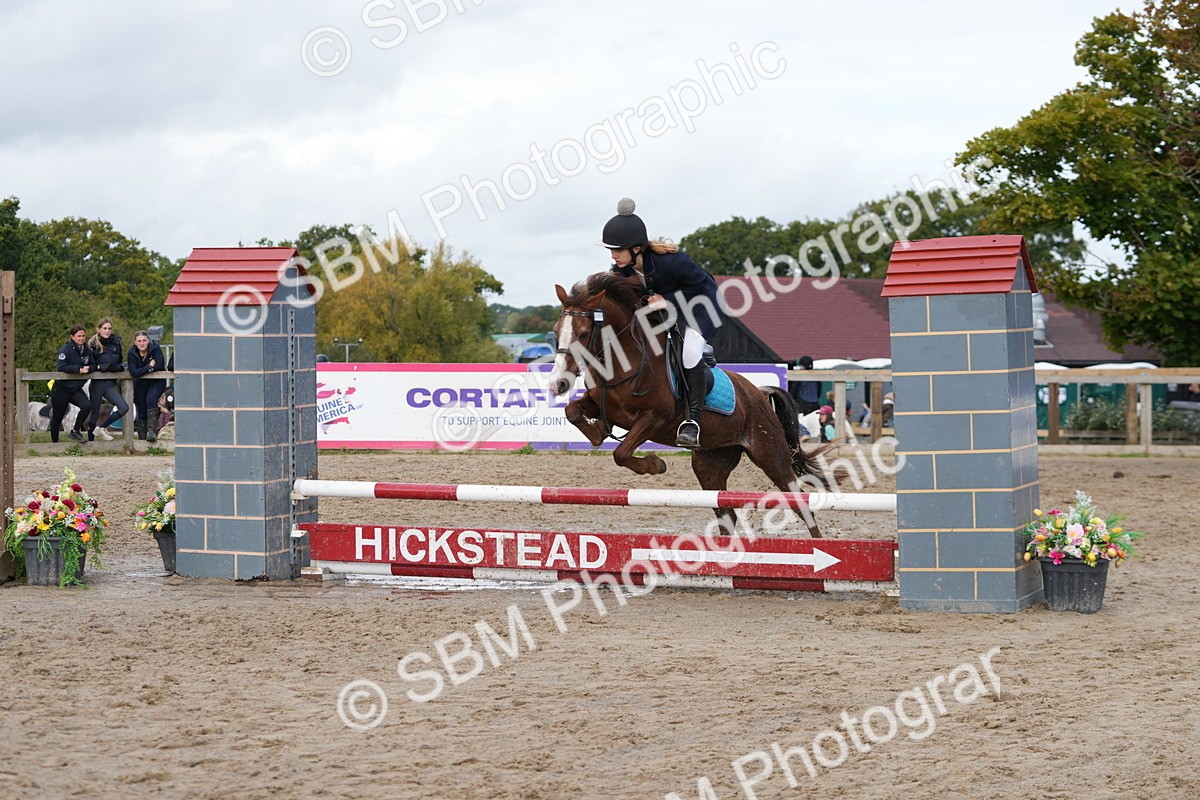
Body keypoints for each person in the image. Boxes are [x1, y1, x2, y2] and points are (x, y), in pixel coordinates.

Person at [602, 198, 722, 448]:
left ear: (636, 248)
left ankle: (692, 422)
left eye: (618, 250)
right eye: (611, 251)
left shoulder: (672, 262)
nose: (613, 256)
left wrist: (667, 300)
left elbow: (702, 286)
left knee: (689, 352)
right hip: (664, 315)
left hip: (700, 308)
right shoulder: (621, 272)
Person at [85, 318, 130, 441]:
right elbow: (92, 365)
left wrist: (109, 367)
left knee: (124, 407)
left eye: (109, 328)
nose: (107, 331)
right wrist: (104, 367)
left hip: (109, 384)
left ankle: (102, 427)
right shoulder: (92, 344)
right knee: (94, 413)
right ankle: (90, 443)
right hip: (97, 384)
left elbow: (118, 362)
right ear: (99, 329)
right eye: (104, 328)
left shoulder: (116, 342)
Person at [49, 325, 93, 443]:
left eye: (83, 336)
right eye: (79, 336)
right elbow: (61, 367)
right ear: (72, 336)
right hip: (61, 388)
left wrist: (89, 368)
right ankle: (54, 444)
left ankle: (75, 431)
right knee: (57, 417)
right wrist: (79, 369)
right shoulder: (65, 349)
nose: (81, 338)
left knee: (86, 406)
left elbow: (93, 364)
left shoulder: (87, 350)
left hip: (76, 388)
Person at [128, 330, 167, 442]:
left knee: (151, 399)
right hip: (141, 383)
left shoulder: (156, 349)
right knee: (141, 407)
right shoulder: (132, 353)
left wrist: (142, 370)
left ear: (148, 340)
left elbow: (159, 366)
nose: (142, 343)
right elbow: (133, 372)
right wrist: (149, 366)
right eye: (139, 341)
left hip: (156, 381)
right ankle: (142, 437)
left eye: (144, 340)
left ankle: (151, 432)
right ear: (135, 342)